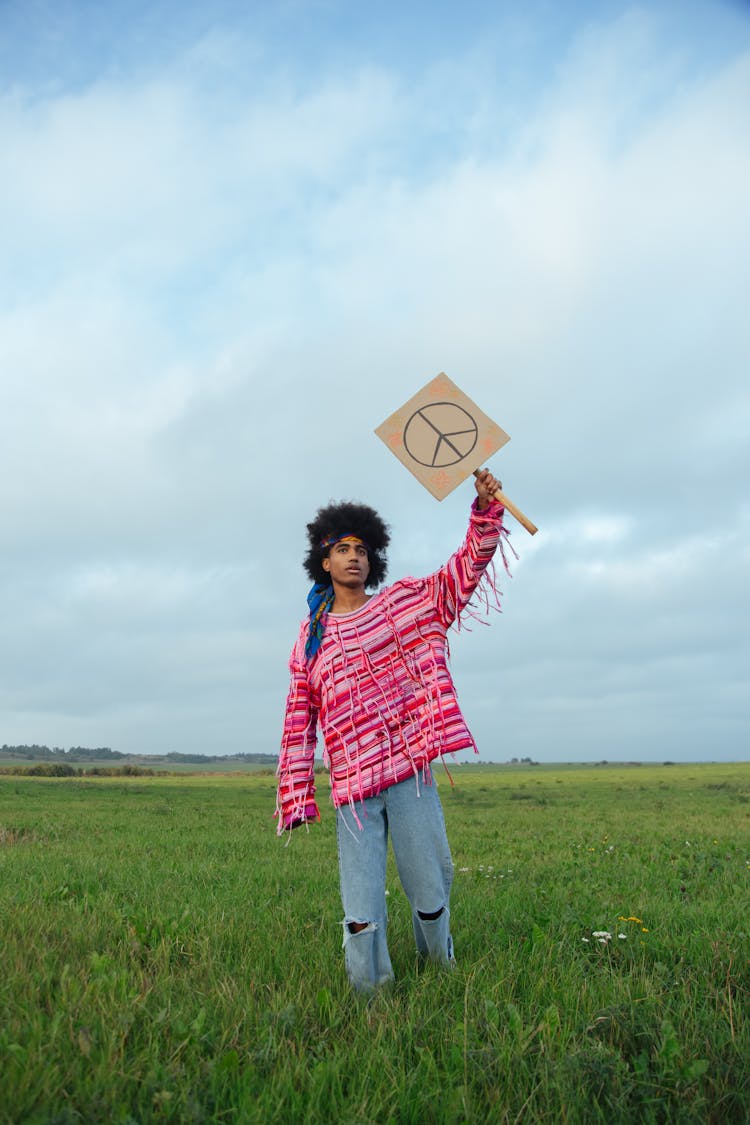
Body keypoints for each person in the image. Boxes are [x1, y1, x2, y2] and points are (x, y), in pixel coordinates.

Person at [276, 469, 511, 992]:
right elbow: (299, 718)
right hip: (354, 793)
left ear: (373, 556)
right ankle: (370, 993)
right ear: (324, 560)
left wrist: (484, 513)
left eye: (361, 548)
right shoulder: (310, 639)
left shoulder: (403, 604)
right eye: (342, 548)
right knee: (360, 902)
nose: (353, 556)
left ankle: (439, 970)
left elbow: (460, 575)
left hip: (410, 774)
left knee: (430, 884)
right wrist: (295, 793)